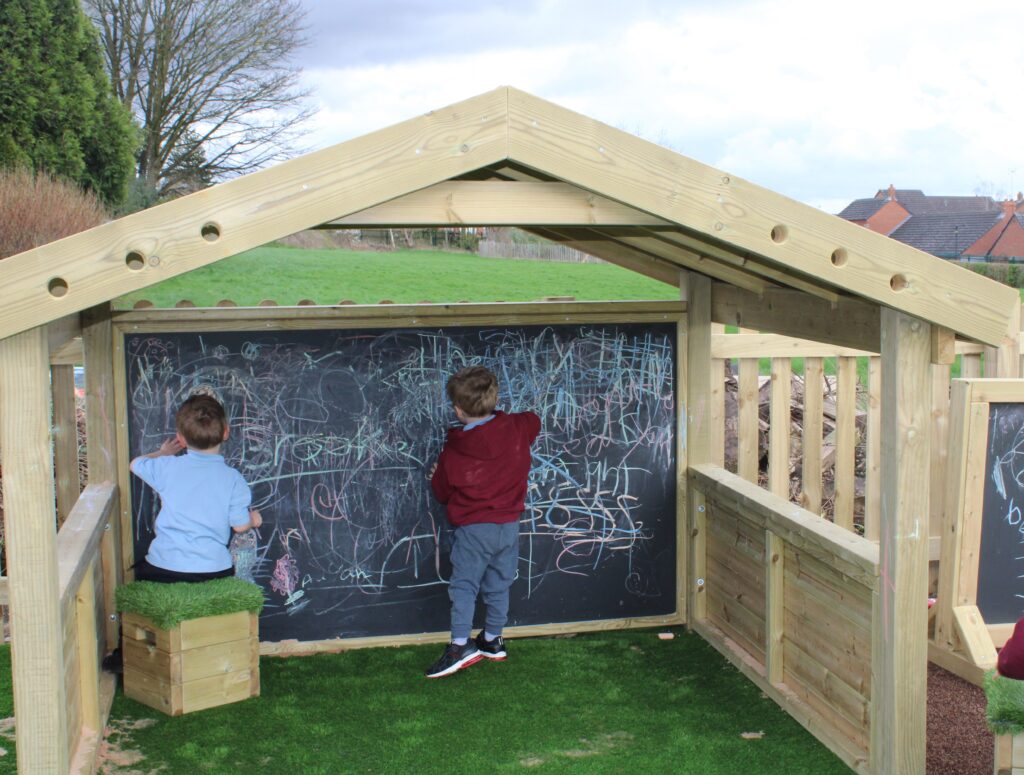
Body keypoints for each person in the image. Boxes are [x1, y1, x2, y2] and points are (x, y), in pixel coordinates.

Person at [103, 394, 261, 672]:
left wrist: (162, 453)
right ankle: (212, 659)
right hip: (213, 569)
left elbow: (136, 464)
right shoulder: (233, 479)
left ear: (181, 438)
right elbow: (239, 526)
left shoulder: (167, 467)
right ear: (226, 432)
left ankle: (124, 656)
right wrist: (254, 519)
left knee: (139, 585)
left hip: (164, 567)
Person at [425, 366, 540, 679]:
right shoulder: (518, 427)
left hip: (475, 529)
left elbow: (442, 492)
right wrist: (501, 418)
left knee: (464, 586)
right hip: (509, 525)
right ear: (495, 399)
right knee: (498, 583)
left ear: (459, 411)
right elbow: (534, 420)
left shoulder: (455, 450)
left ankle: (460, 646)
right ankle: (492, 639)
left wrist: (436, 474)